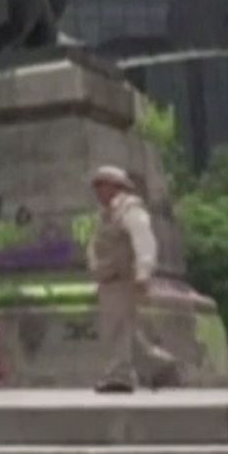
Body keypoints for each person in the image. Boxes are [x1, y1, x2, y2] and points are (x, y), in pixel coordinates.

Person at [85, 165, 180, 393]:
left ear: (115, 186)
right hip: (108, 280)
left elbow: (143, 241)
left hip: (123, 279)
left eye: (100, 184)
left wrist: (143, 272)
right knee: (127, 333)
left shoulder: (130, 210)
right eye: (95, 184)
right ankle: (161, 367)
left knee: (117, 328)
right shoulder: (106, 214)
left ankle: (121, 377)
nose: (96, 190)